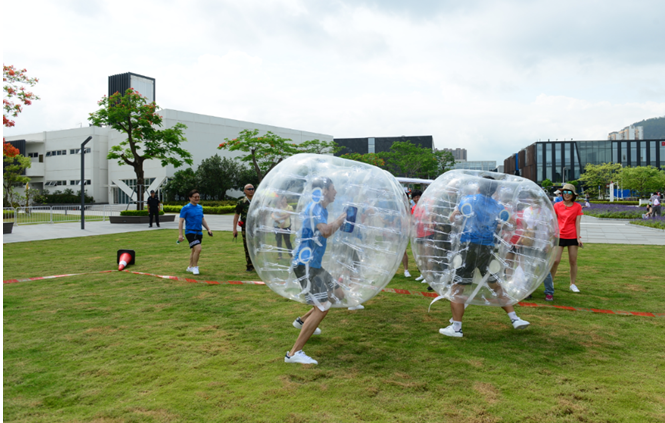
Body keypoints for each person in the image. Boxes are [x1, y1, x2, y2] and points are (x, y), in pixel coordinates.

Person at [439, 176, 530, 338]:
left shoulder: (468, 200)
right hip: (487, 247)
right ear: (494, 191)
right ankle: (515, 318)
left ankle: (457, 328)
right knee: (494, 282)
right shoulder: (497, 206)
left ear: (478, 187)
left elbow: (453, 218)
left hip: (468, 246)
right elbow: (504, 224)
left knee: (457, 287)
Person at [286, 177, 347, 364]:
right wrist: (340, 219)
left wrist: (339, 223)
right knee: (322, 307)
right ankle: (294, 353)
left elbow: (324, 232)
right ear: (324, 191)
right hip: (306, 265)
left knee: (338, 293)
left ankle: (302, 321)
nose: (335, 192)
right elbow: (326, 231)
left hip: (314, 265)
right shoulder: (314, 208)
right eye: (333, 188)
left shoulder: (320, 209)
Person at [550, 183, 583, 293]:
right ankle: (551, 283)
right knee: (555, 260)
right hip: (559, 236)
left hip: (572, 236)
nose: (566, 195)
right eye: (564, 192)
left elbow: (577, 223)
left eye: (569, 192)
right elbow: (553, 221)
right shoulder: (557, 205)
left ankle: (572, 284)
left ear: (573, 194)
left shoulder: (577, 206)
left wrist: (578, 238)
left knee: (573, 261)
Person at [178, 189, 213, 276]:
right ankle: (195, 267)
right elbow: (181, 221)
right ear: (190, 198)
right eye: (195, 197)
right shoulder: (185, 208)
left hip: (199, 233)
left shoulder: (200, 207)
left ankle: (190, 267)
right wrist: (180, 234)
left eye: (198, 197)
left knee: (194, 251)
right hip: (190, 232)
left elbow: (202, 220)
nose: (197, 198)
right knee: (198, 249)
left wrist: (208, 229)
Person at [233, 184, 255, 272]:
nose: (251, 190)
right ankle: (249, 265)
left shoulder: (257, 200)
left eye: (252, 189)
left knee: (257, 245)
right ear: (245, 191)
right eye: (249, 189)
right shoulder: (241, 202)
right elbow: (236, 216)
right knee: (247, 246)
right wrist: (234, 229)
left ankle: (256, 264)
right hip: (246, 228)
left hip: (256, 227)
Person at [271, 195, 293, 260]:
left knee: (287, 241)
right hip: (278, 226)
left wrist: (278, 218)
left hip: (286, 227)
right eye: (281, 199)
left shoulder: (289, 207)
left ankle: (291, 255)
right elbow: (272, 213)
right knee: (279, 241)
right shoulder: (279, 207)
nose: (282, 200)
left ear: (286, 199)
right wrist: (274, 218)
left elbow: (287, 216)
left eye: (284, 199)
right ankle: (280, 255)